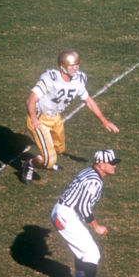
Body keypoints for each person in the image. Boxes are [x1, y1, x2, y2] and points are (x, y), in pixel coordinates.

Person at [18, 50, 119, 183]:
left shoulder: (79, 79)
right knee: (49, 161)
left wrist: (104, 121)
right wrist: (33, 118)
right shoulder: (50, 78)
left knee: (60, 148)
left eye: (77, 65)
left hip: (55, 117)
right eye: (71, 66)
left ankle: (48, 156)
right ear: (62, 66)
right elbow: (30, 100)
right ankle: (29, 164)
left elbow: (88, 100)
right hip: (40, 118)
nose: (75, 68)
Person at [50, 149, 120, 277]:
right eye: (112, 163)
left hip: (62, 211)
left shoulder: (89, 171)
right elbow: (83, 207)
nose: (114, 166)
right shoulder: (94, 180)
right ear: (101, 164)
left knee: (82, 246)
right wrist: (96, 226)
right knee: (92, 253)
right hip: (66, 215)